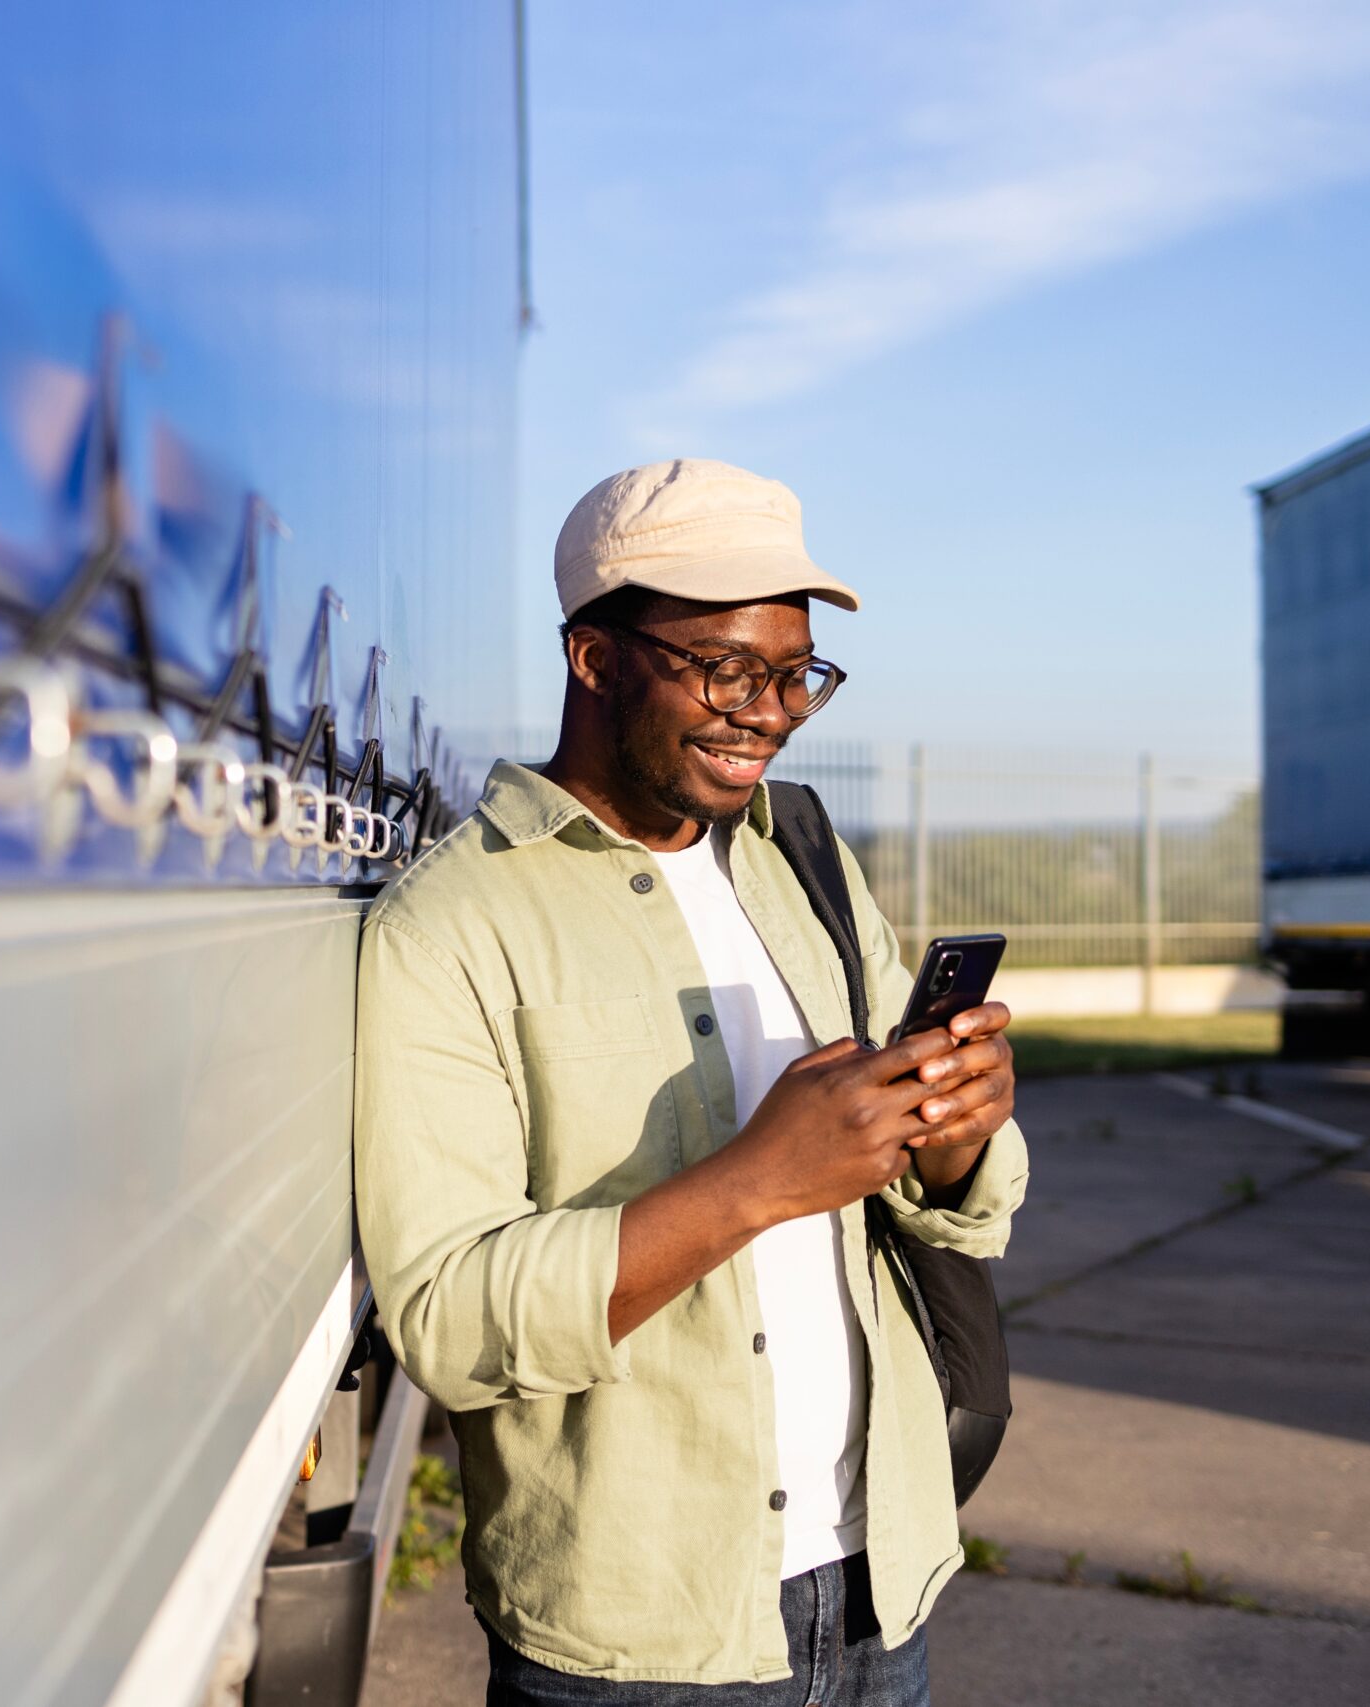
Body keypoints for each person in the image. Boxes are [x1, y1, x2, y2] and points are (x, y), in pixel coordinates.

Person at [355, 459, 1028, 1705]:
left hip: (882, 1588)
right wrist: (757, 1183)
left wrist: (954, 1129)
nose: (769, 714)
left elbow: (948, 1200)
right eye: (725, 669)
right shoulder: (449, 926)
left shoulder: (803, 860)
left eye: (796, 675)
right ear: (593, 657)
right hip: (642, 1639)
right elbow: (445, 1321)